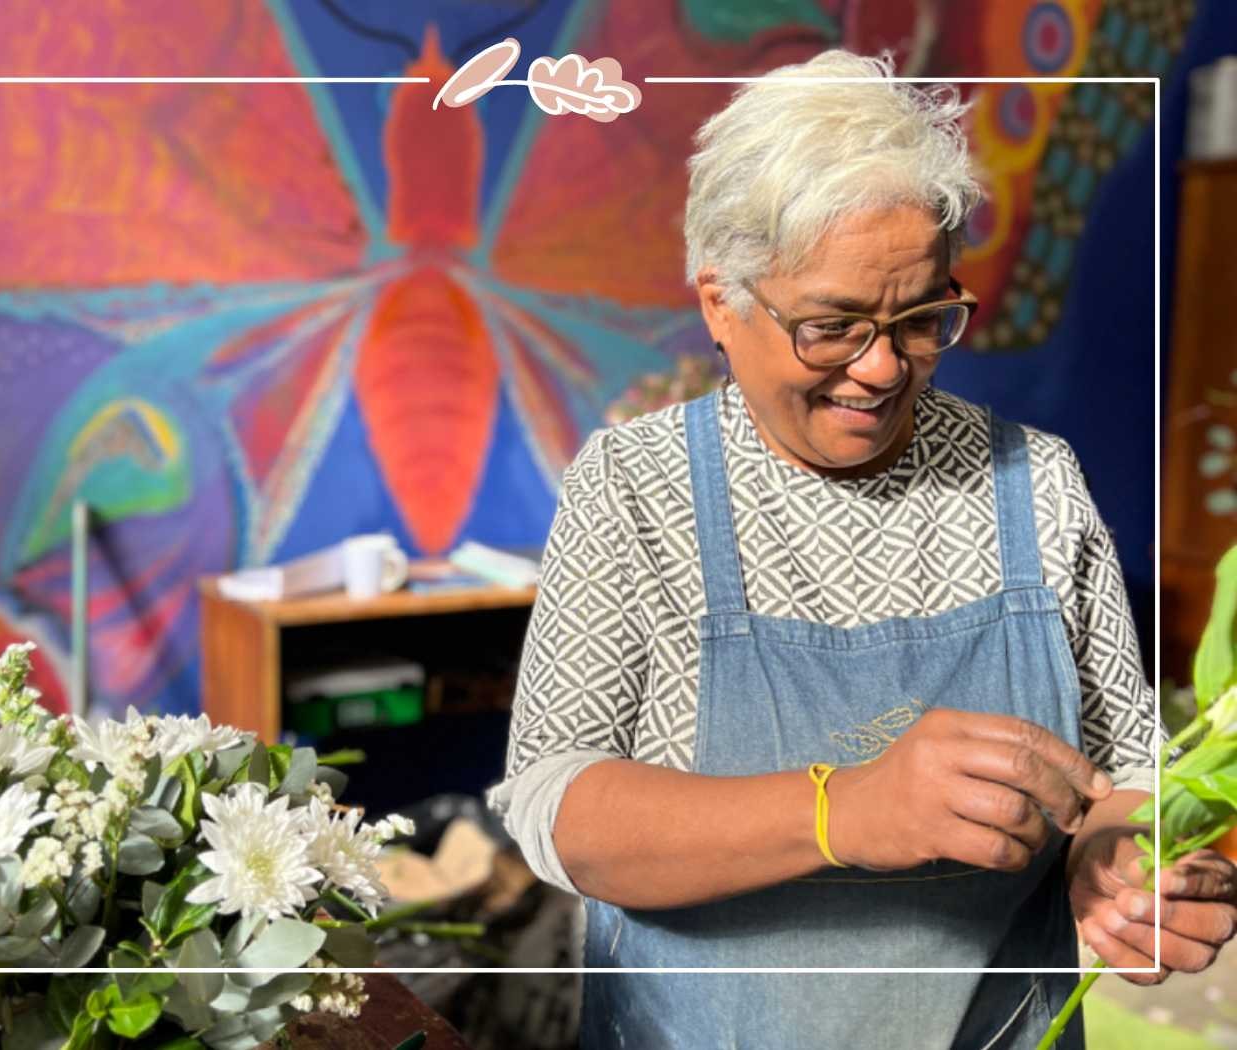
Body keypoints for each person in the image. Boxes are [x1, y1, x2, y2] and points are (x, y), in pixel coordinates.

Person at [488, 50, 1237, 1050]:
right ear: (721, 302)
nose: (882, 368)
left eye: (922, 317)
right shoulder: (636, 485)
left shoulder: (1035, 482)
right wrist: (843, 811)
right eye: (832, 326)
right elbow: (552, 806)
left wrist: (1124, 868)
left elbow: (1119, 773)